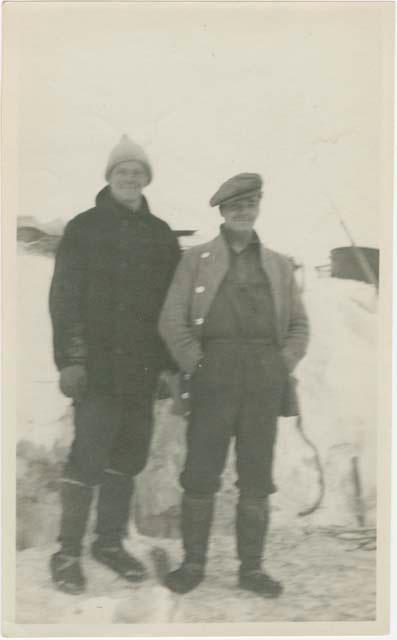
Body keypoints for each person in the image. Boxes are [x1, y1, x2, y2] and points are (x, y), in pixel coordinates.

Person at [159, 173, 310, 597]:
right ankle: (193, 564)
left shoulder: (279, 264)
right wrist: (197, 364)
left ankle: (252, 569)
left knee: (257, 475)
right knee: (201, 472)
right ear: (222, 212)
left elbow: (299, 325)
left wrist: (283, 363)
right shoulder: (197, 260)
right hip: (214, 376)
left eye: (251, 203)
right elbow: (171, 320)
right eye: (235, 206)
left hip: (264, 377)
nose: (243, 211)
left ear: (259, 206)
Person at [49, 135, 180, 594]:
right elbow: (63, 300)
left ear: (147, 180)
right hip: (98, 369)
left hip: (143, 371)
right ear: (109, 177)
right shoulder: (84, 228)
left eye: (138, 172)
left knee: (128, 457)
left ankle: (108, 542)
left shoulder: (161, 235)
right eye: (122, 171)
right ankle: (66, 553)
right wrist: (71, 360)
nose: (130, 178)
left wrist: (168, 366)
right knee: (88, 455)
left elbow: (172, 307)